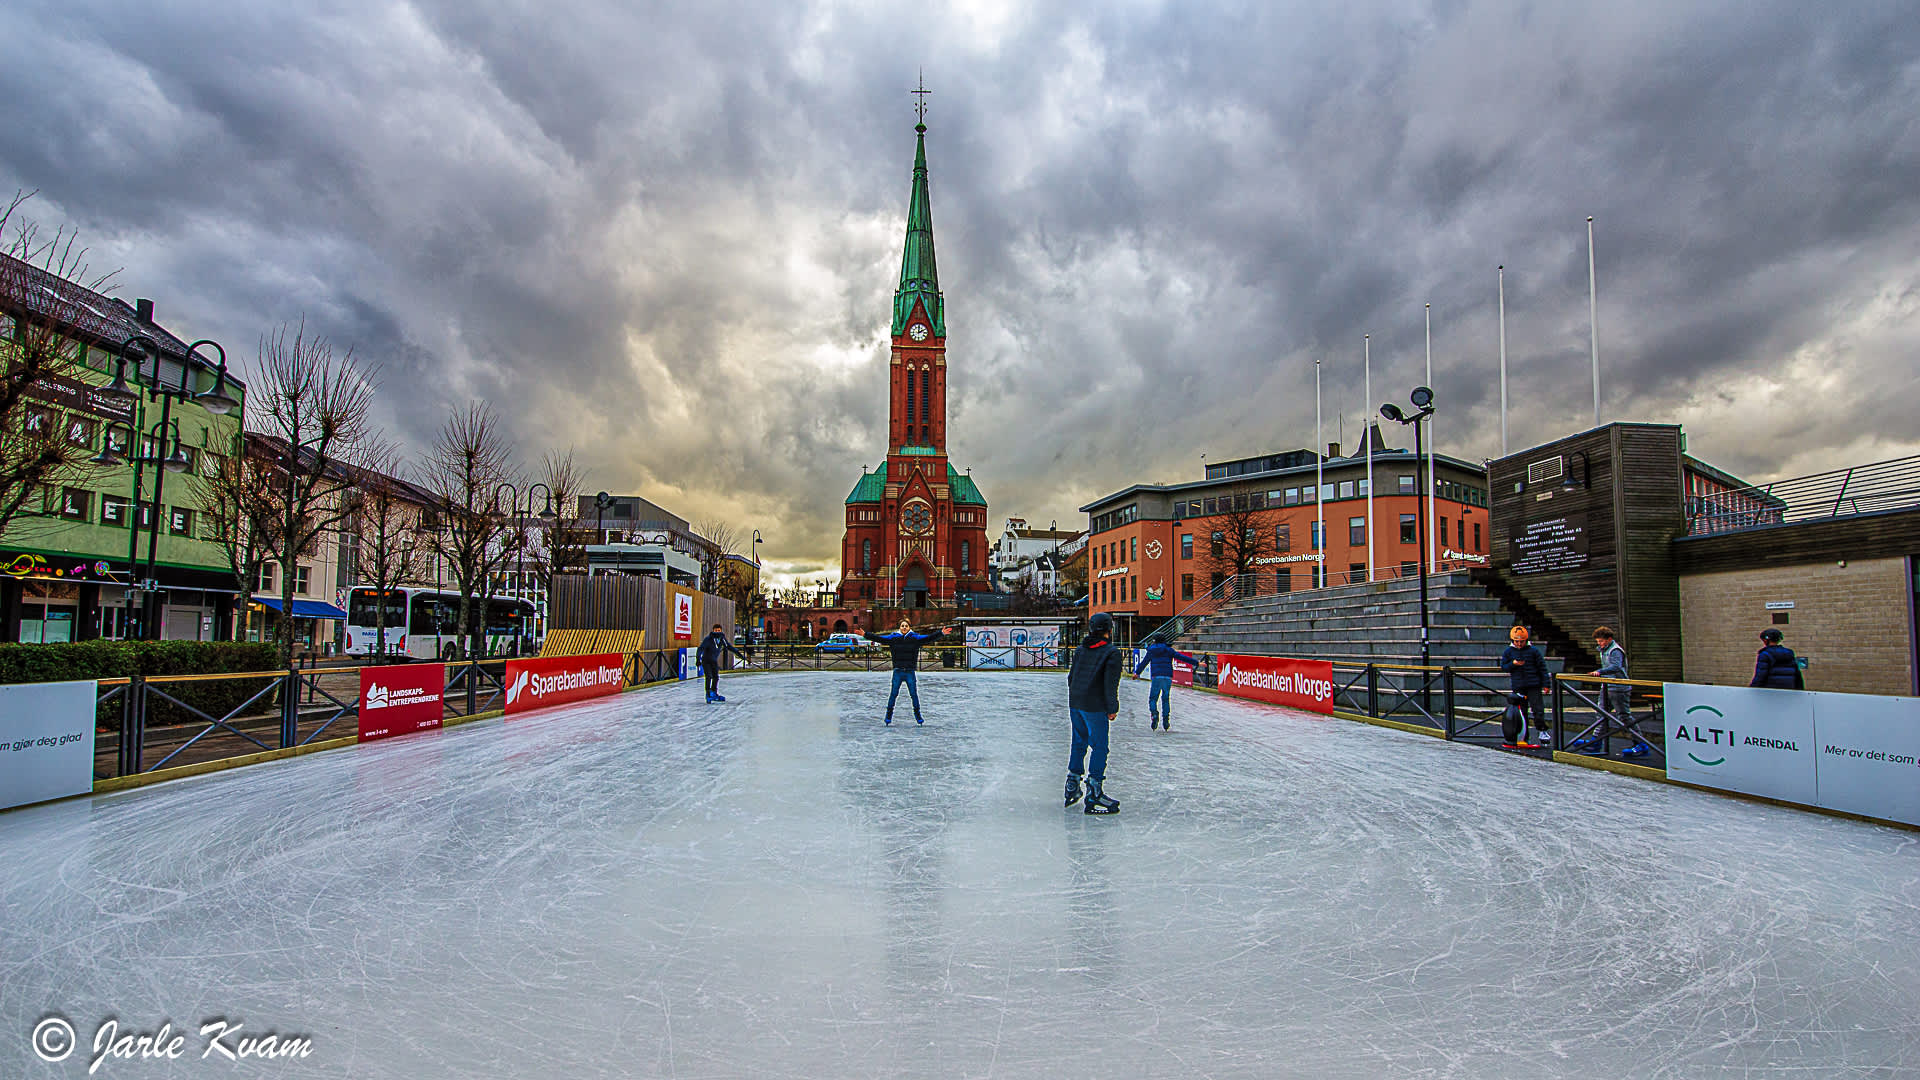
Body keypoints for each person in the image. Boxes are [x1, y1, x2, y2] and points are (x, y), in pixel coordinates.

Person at [1065, 612, 1124, 814]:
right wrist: (1112, 708)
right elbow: (1110, 684)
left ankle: (1072, 784)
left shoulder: (1081, 649)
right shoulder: (1111, 652)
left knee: (1079, 742)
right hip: (1095, 705)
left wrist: (1075, 698)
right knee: (1100, 747)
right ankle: (1094, 791)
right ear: (1108, 630)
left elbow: (1071, 678)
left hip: (1076, 702)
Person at [862, 619, 955, 724]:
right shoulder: (893, 638)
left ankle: (918, 716)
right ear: (899, 627)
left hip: (910, 671)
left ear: (909, 627)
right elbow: (879, 638)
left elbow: (928, 638)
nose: (904, 627)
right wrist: (866, 634)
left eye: (906, 626)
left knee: (913, 694)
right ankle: (888, 716)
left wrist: (940, 633)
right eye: (902, 626)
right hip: (898, 671)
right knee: (893, 694)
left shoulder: (915, 638)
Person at [1572, 627, 1643, 756]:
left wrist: (1600, 672)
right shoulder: (1604, 650)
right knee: (1601, 714)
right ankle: (1596, 742)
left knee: (1623, 716)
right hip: (1607, 686)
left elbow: (1616, 667)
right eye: (1598, 641)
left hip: (1618, 687)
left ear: (1609, 639)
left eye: (1601, 641)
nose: (1599, 644)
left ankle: (1640, 744)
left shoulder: (1615, 650)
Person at [1499, 625, 1550, 749]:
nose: (1519, 644)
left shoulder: (1533, 651)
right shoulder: (1509, 652)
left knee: (1538, 710)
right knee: (1522, 713)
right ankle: (1524, 737)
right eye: (1517, 641)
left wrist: (1546, 684)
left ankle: (1542, 730)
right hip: (1518, 686)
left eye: (1522, 641)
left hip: (1533, 685)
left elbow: (1542, 668)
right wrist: (1513, 664)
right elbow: (1504, 666)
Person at [1133, 634, 1198, 731]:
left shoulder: (1151, 650)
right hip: (1167, 676)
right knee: (1165, 698)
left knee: (1153, 698)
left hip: (1156, 676)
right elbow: (1182, 657)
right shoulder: (1169, 650)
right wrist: (1196, 663)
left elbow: (1144, 662)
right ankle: (1166, 719)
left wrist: (1137, 673)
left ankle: (1154, 714)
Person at [697, 623, 746, 703]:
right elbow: (701, 648)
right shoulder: (708, 639)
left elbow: (729, 647)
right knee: (708, 676)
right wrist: (698, 658)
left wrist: (739, 654)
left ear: (721, 631)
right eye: (716, 630)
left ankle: (714, 692)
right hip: (706, 661)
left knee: (716, 677)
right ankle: (708, 693)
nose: (717, 632)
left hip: (714, 661)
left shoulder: (722, 639)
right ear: (713, 631)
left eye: (719, 630)